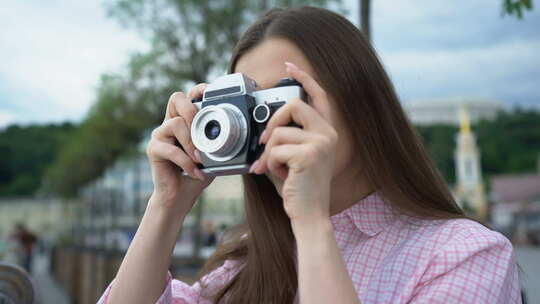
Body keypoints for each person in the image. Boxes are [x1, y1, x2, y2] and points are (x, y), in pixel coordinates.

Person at [99, 6, 522, 304]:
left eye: (283, 97)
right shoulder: (245, 265)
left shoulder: (464, 255)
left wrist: (313, 224)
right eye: (249, 108)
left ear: (361, 104)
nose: (267, 123)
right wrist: (166, 207)